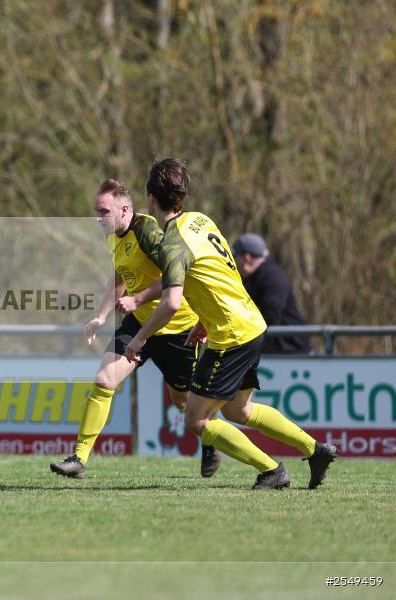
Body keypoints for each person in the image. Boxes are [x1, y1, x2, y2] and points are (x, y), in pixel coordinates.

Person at [124, 157, 337, 489]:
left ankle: (272, 470)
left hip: (231, 336)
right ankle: (315, 450)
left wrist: (139, 338)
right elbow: (221, 274)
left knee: (197, 419)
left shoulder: (172, 244)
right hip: (249, 323)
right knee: (240, 411)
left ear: (151, 198)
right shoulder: (200, 221)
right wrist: (204, 321)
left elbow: (171, 302)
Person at [50, 179, 222, 479]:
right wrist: (101, 316)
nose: (97, 218)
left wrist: (138, 298)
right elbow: (119, 276)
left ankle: (211, 440)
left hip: (176, 328)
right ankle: (78, 458)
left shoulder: (148, 231)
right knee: (104, 380)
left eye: (103, 211)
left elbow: (176, 275)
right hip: (140, 322)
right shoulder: (113, 237)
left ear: (125, 209)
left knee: (183, 402)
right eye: (96, 211)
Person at [231, 233, 312, 354]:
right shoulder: (254, 277)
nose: (234, 262)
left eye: (235, 257)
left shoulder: (272, 277)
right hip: (278, 351)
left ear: (247, 258)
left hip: (292, 352)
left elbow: (270, 316)